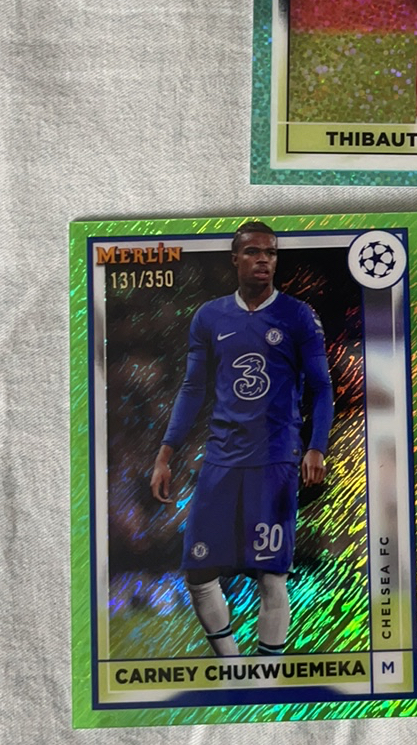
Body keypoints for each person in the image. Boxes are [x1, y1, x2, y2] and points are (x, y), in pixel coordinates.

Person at [150, 221, 333, 656]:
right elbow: (192, 388)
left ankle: (266, 674)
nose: (263, 260)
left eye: (270, 253)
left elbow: (322, 386)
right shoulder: (210, 317)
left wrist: (316, 447)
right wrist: (165, 453)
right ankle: (232, 668)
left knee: (271, 574)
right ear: (235, 259)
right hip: (221, 460)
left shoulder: (298, 315)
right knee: (198, 571)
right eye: (253, 252)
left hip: (275, 460)